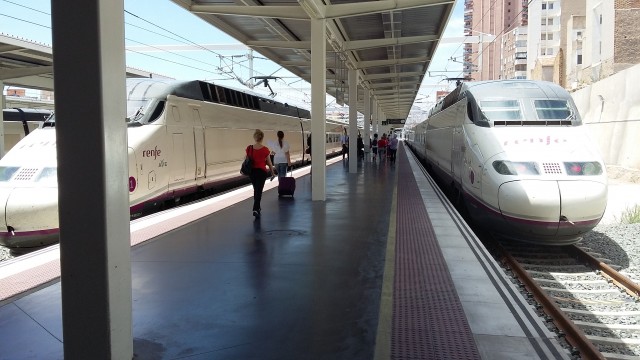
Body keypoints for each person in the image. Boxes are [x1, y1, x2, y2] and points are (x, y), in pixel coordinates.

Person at [246, 129, 275, 218]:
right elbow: (269, 163)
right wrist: (273, 173)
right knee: (259, 191)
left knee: (256, 190)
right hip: (261, 172)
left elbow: (247, 160)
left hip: (252, 172)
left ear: (255, 138)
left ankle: (258, 208)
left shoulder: (249, 148)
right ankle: (255, 208)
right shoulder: (265, 150)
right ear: (262, 138)